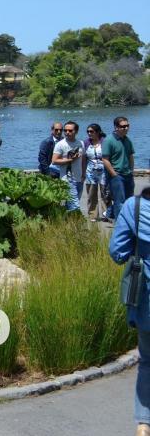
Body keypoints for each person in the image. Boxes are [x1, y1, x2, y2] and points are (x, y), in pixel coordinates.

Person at [108, 185, 150, 436]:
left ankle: (144, 423)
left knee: (147, 361)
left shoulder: (134, 208)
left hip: (146, 301)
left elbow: (118, 252)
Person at [104, 116, 137, 221]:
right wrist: (114, 174)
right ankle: (119, 224)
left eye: (127, 126)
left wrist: (131, 171)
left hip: (128, 175)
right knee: (120, 201)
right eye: (123, 126)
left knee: (130, 201)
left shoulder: (127, 140)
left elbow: (131, 156)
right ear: (116, 127)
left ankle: (128, 222)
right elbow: (105, 159)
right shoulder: (109, 140)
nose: (125, 128)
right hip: (117, 175)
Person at [52, 121, 84, 212]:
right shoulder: (60, 144)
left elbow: (83, 159)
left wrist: (84, 174)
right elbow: (54, 161)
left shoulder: (80, 143)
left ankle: (66, 221)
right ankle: (78, 222)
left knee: (70, 202)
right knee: (75, 204)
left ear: (76, 131)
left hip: (79, 177)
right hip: (67, 178)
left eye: (70, 130)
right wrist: (70, 160)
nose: (67, 133)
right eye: (65, 130)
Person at [84, 123, 110, 221]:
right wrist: (83, 173)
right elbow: (83, 159)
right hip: (90, 172)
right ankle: (93, 215)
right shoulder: (86, 143)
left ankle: (106, 214)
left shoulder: (105, 142)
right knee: (91, 195)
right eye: (88, 131)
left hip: (104, 172)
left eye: (92, 131)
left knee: (105, 194)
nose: (89, 133)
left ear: (98, 132)